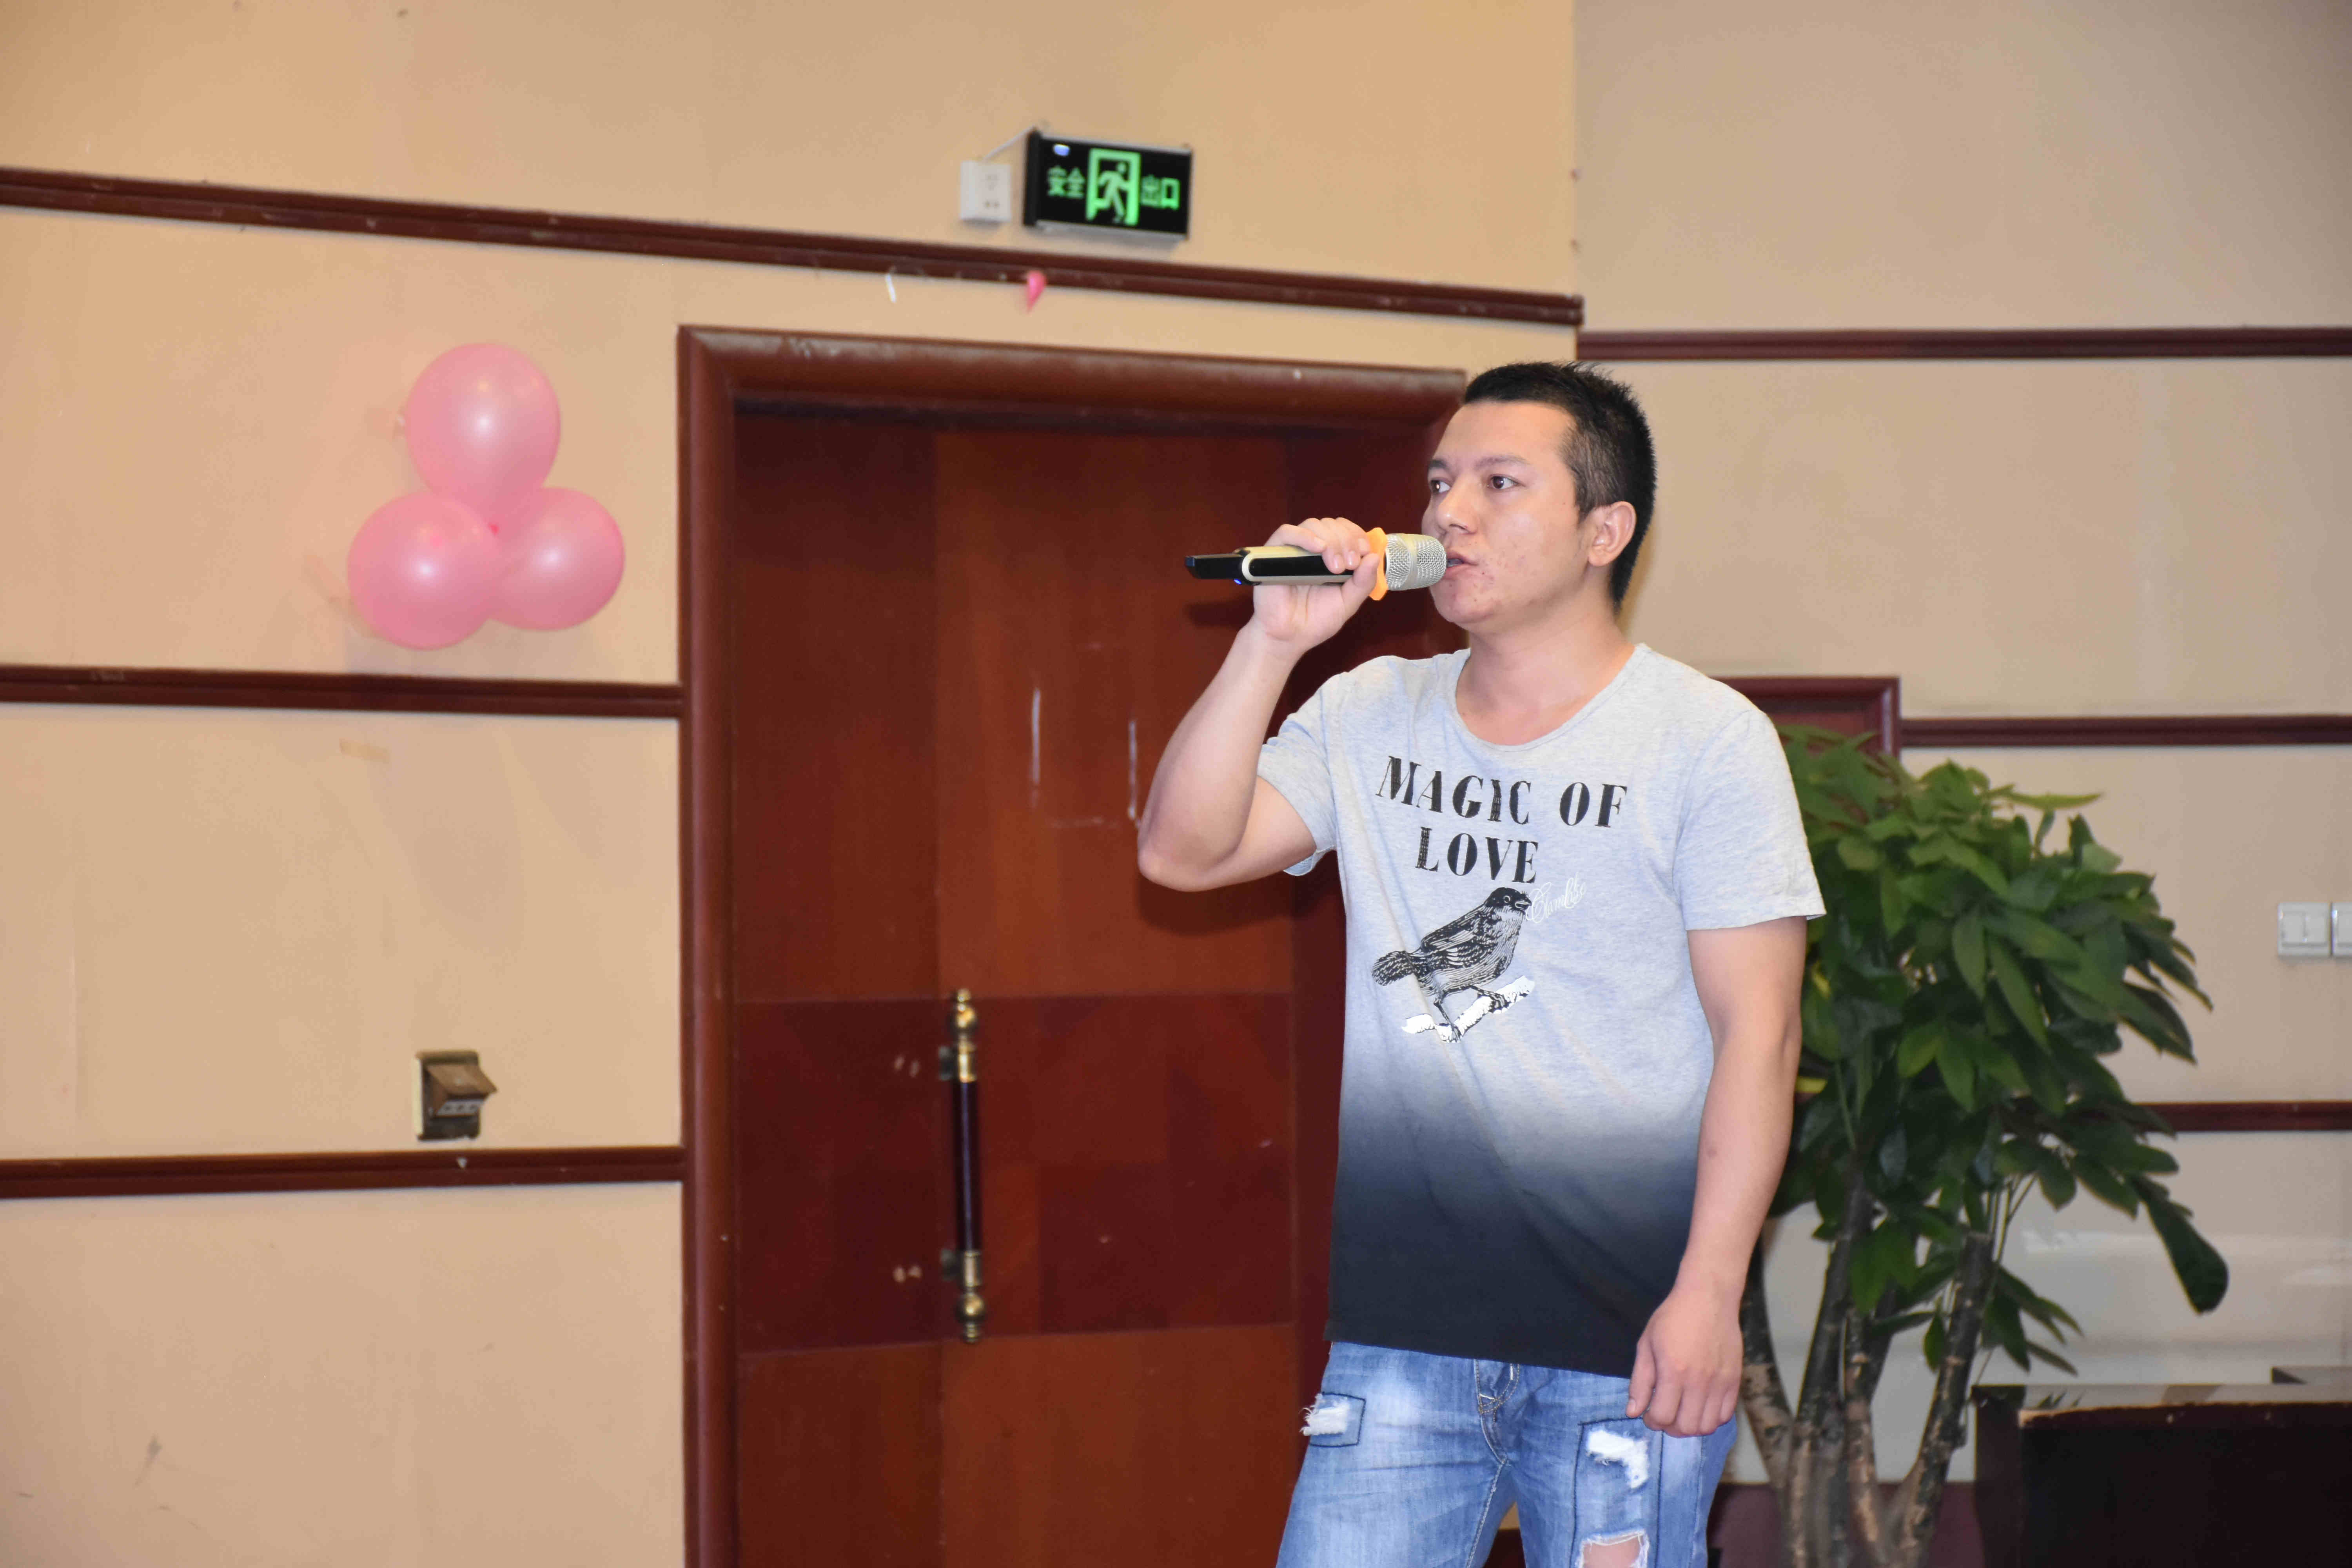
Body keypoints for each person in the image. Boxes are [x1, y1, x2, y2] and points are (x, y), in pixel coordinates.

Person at [1136, 362, 1822, 1568]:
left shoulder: (1707, 743)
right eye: (1442, 482)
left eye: (1501, 484)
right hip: (1402, 1338)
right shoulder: (1369, 711)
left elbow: (1760, 1040)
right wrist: (1269, 643)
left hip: (1630, 1344)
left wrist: (1711, 1294)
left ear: (1605, 531)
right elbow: (1180, 854)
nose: (1450, 512)